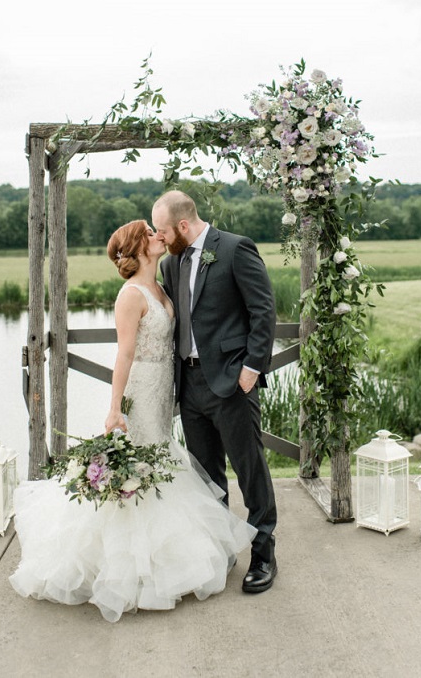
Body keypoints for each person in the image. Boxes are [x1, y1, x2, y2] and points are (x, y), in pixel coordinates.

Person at [9, 220, 255, 622]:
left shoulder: (162, 285)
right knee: (141, 465)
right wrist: (114, 408)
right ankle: (132, 568)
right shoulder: (131, 294)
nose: (160, 234)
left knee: (161, 462)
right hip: (140, 390)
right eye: (150, 231)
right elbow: (123, 355)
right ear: (140, 246)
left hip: (163, 390)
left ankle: (167, 558)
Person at [152, 190, 278, 594]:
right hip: (189, 386)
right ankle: (221, 550)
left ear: (183, 226)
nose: (161, 237)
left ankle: (263, 554)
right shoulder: (171, 262)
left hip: (231, 382)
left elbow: (264, 310)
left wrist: (251, 369)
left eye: (163, 230)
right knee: (207, 477)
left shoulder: (236, 249)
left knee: (249, 470)